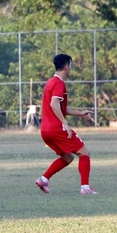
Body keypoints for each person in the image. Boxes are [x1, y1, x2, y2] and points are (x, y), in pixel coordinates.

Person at [35, 54, 97, 195]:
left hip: (45, 130)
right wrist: (65, 123)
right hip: (57, 128)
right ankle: (85, 188)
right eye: (70, 66)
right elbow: (54, 104)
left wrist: (81, 113)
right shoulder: (58, 83)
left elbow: (61, 108)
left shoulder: (50, 82)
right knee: (84, 153)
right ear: (66, 66)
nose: (70, 69)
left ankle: (44, 179)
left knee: (68, 157)